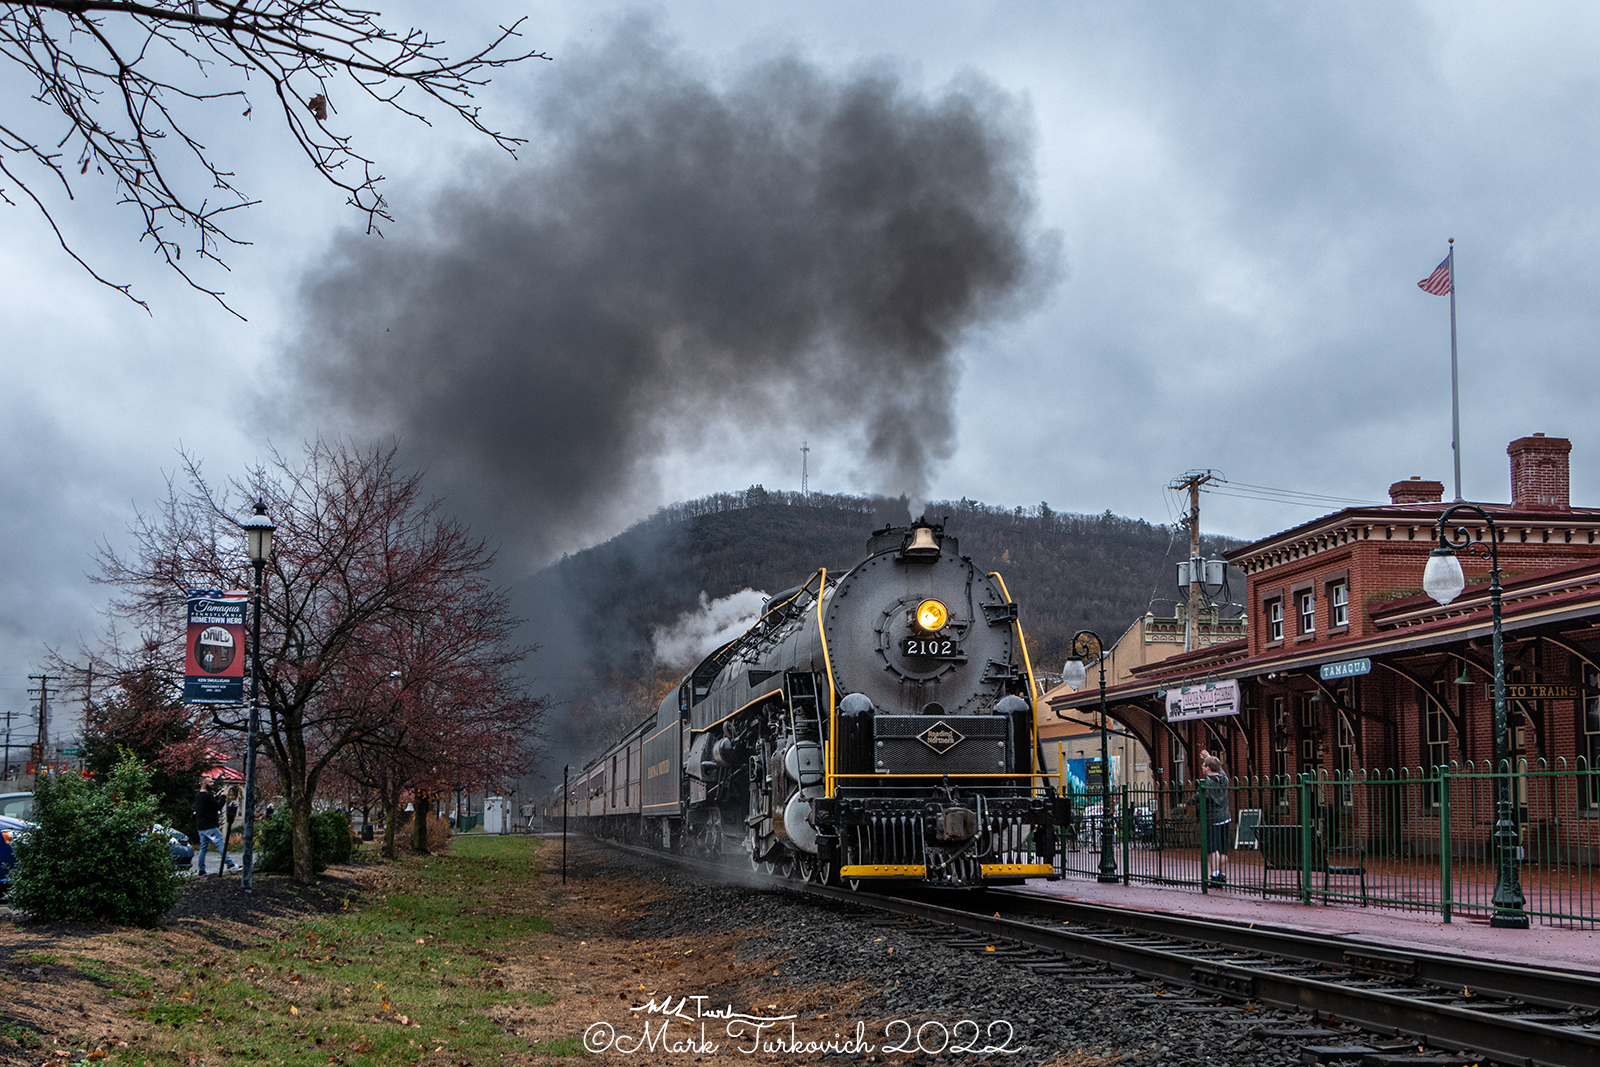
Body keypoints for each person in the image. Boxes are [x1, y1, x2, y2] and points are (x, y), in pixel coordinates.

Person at [1186, 754, 1231, 885]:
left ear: (1207, 768)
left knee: (1213, 849)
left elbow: (1198, 796)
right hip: (1226, 818)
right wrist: (1209, 756)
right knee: (1223, 850)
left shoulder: (1206, 782)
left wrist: (1189, 801)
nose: (1202, 768)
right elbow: (1220, 768)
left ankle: (1214, 874)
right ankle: (1223, 875)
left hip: (1212, 819)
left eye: (1203, 766)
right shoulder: (1224, 779)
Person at [193, 779, 232, 876]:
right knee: (220, 843)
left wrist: (216, 796)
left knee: (203, 848)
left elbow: (208, 804)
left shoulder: (198, 796)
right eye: (210, 782)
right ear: (204, 783)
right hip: (210, 826)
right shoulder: (207, 796)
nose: (212, 784)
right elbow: (218, 806)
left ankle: (201, 870)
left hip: (201, 826)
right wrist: (223, 796)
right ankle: (229, 863)